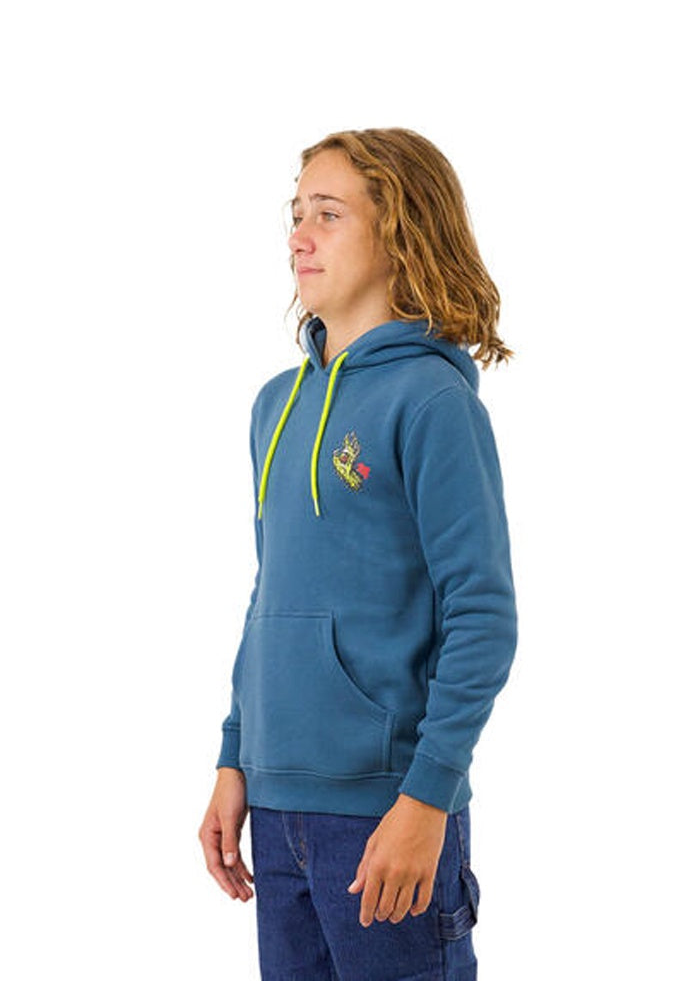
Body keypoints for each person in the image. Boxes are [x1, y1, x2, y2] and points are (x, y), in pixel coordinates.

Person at [198, 127, 518, 981]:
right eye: (296, 213)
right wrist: (234, 755)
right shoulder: (276, 405)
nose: (298, 236)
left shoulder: (431, 401)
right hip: (274, 802)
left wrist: (426, 797)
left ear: (399, 232)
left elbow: (481, 616)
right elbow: (271, 595)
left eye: (328, 214)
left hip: (387, 810)